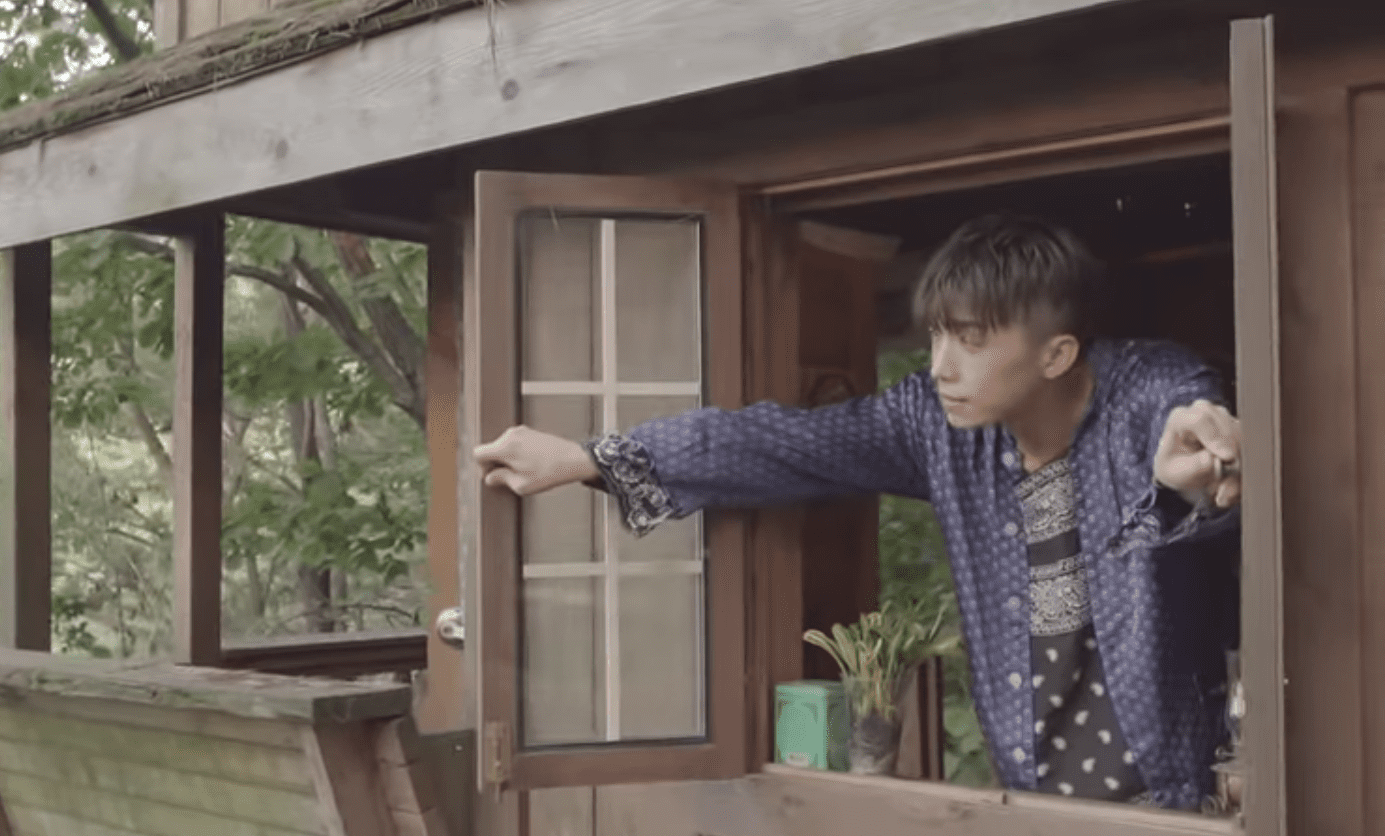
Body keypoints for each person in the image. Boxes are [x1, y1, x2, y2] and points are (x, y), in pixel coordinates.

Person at [474, 213, 1242, 810]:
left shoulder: (1143, 392)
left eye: (970, 341)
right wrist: (588, 459)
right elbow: (778, 443)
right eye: (937, 334)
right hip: (1030, 802)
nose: (940, 366)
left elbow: (1180, 405)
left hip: (1175, 803)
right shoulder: (934, 425)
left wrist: (1195, 452)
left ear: (1057, 354)